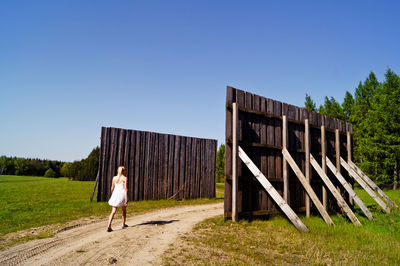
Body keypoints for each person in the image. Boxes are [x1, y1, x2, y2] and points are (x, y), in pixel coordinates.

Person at [107, 166, 128, 232]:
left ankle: (109, 225)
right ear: (123, 171)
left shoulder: (114, 178)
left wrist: (113, 195)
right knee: (124, 210)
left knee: (113, 211)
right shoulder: (124, 178)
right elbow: (126, 189)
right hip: (122, 195)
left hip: (115, 194)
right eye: (124, 170)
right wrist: (126, 199)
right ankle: (123, 224)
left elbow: (112, 188)